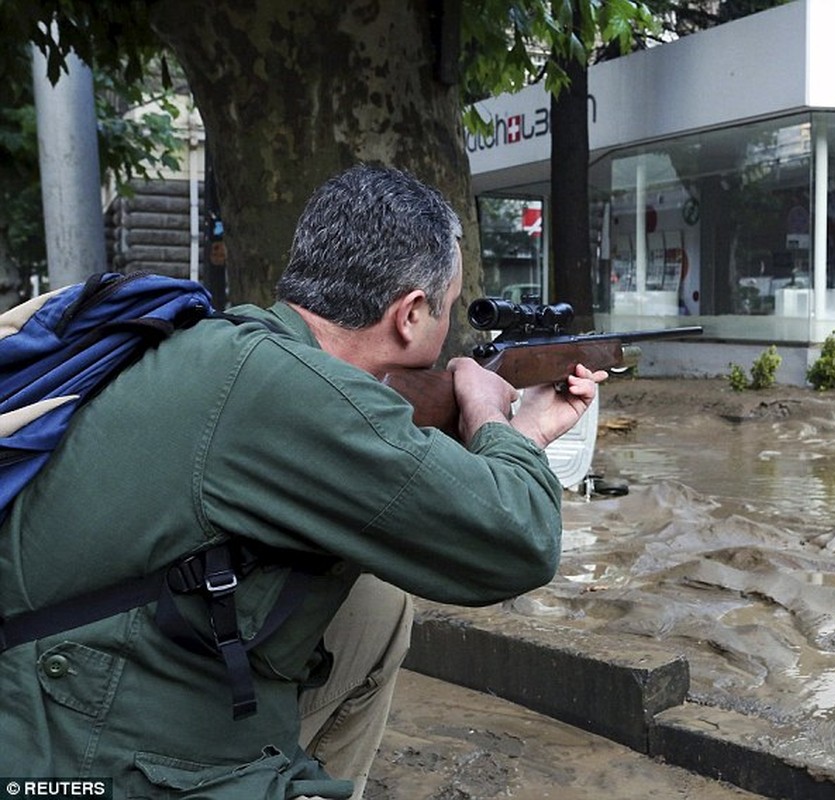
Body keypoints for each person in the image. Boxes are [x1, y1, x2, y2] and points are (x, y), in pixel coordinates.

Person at [0, 164, 604, 798]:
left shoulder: (235, 346)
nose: (449, 332)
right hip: (70, 734)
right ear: (411, 313)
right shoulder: (289, 394)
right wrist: (502, 420)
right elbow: (517, 541)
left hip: (76, 665)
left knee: (374, 610)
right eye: (448, 311)